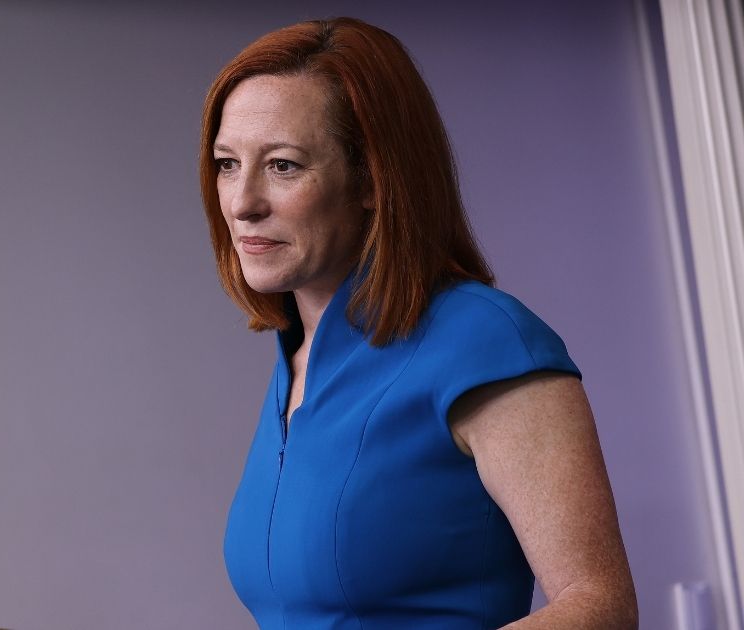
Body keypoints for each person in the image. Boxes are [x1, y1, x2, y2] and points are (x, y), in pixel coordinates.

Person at [201, 17, 637, 629]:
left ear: (373, 179)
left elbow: (600, 608)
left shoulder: (486, 343)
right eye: (226, 164)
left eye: (282, 166)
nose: (242, 202)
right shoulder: (296, 358)